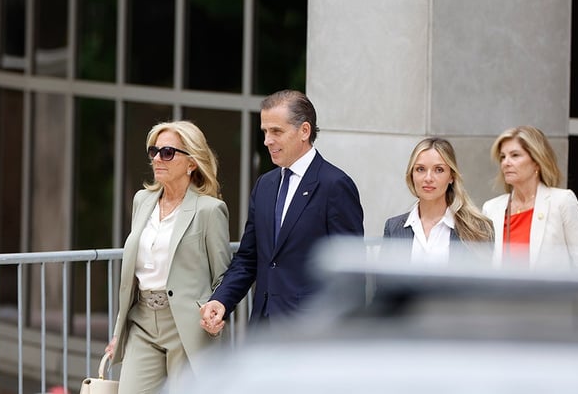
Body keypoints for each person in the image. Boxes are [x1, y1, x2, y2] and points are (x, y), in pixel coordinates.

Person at [199, 89, 364, 335]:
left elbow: (349, 270)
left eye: (276, 131)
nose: (267, 140)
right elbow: (248, 258)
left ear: (304, 131)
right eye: (265, 131)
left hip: (312, 335)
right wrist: (221, 300)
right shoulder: (265, 185)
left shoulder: (335, 185)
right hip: (263, 329)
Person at [105, 120, 231, 394]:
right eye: (154, 151)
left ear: (191, 163)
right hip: (142, 322)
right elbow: (132, 280)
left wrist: (216, 315)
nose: (157, 159)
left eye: (168, 152)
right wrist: (119, 332)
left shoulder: (210, 210)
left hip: (187, 327)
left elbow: (223, 276)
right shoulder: (142, 200)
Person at [481, 125, 578, 270]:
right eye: (503, 157)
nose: (506, 163)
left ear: (537, 161)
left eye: (515, 155)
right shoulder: (491, 208)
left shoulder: (562, 202)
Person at [383, 138, 493, 264]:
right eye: (420, 169)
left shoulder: (479, 229)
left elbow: (483, 282)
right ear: (411, 175)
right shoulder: (393, 228)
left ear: (452, 176)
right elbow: (384, 282)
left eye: (439, 170)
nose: (428, 178)